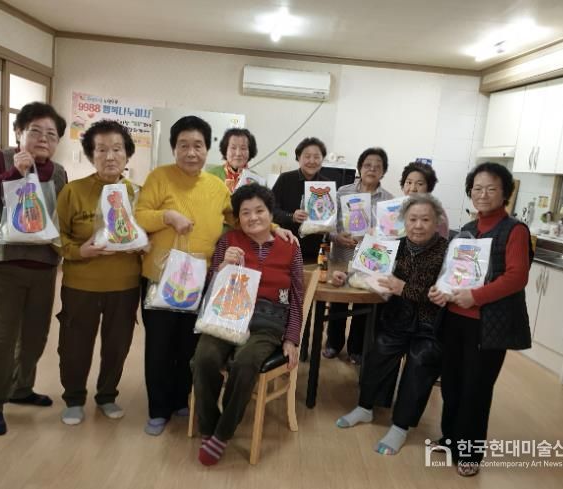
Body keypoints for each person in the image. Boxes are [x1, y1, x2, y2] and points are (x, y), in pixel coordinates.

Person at [134, 116, 295, 436]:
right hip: (161, 278)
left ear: (207, 149)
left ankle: (181, 399)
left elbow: (240, 218)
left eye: (198, 145)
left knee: (188, 344)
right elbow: (139, 217)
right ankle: (158, 409)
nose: (191, 152)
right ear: (174, 148)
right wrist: (167, 216)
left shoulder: (215, 185)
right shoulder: (159, 177)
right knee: (159, 345)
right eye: (183, 145)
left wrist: (275, 227)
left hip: (200, 279)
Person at [0, 102, 67, 436]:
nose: (43, 138)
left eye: (51, 134)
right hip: (1, 264)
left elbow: (61, 217)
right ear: (19, 133)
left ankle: (21, 389)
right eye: (35, 131)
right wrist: (12, 175)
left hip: (44, 266)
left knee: (35, 336)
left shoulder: (59, 173)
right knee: (0, 339)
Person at [428, 162, 532, 477]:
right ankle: (450, 439)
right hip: (454, 319)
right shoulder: (468, 230)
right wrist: (441, 291)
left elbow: (517, 277)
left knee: (476, 387)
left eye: (491, 189)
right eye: (477, 188)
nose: (483, 194)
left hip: (486, 325)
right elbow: (453, 274)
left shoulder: (514, 230)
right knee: (452, 383)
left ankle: (470, 453)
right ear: (470, 192)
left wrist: (476, 296)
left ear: (505, 193)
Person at [192, 183, 303, 466]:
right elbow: (210, 286)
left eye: (259, 210)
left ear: (271, 213)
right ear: (238, 217)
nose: (253, 217)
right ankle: (209, 426)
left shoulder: (290, 245)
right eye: (245, 212)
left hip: (268, 320)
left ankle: (222, 433)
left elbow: (297, 296)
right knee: (203, 358)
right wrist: (222, 267)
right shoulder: (228, 240)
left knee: (245, 362)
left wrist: (291, 338)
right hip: (227, 314)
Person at [334, 193, 447, 457]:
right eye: (412, 219)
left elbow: (444, 292)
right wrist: (346, 276)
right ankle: (365, 408)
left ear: (437, 222)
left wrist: (404, 288)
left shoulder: (448, 251)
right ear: (403, 221)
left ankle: (400, 426)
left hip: (429, 325)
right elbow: (369, 271)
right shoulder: (392, 244)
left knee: (419, 368)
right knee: (377, 357)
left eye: (425, 220)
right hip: (396, 317)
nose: (418, 225)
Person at [56, 120, 141, 425]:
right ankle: (74, 398)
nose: (110, 156)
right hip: (81, 284)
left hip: (125, 285)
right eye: (101, 150)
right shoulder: (73, 191)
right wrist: (79, 251)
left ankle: (107, 396)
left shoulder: (137, 194)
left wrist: (140, 244)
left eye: (117, 149)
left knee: (117, 345)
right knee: (75, 345)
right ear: (91, 155)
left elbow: (148, 233)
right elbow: (55, 235)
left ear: (127, 154)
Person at [323, 147, 394, 364]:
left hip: (369, 262)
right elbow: (327, 223)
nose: (372, 169)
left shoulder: (389, 200)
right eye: (367, 165)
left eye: (377, 166)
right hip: (342, 256)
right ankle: (333, 343)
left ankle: (356, 348)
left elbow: (390, 235)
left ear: (383, 172)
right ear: (360, 168)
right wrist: (336, 237)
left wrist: (374, 239)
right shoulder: (342, 192)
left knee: (363, 305)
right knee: (338, 302)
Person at [272, 137, 330, 262]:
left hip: (315, 252)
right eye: (307, 156)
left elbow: (330, 215)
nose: (312, 161)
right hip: (286, 246)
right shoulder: (285, 179)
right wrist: (291, 216)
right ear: (298, 157)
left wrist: (327, 224)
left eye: (317, 157)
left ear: (322, 159)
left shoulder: (326, 185)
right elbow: (270, 210)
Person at [399, 161, 449, 237]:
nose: (412, 189)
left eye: (420, 184)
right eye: (409, 182)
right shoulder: (397, 206)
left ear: (428, 187)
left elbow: (441, 240)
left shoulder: (436, 211)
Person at [206, 128, 258, 193]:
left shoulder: (256, 180)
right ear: (225, 150)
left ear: (250, 151)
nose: (238, 153)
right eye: (233, 148)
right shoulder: (211, 175)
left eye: (243, 148)